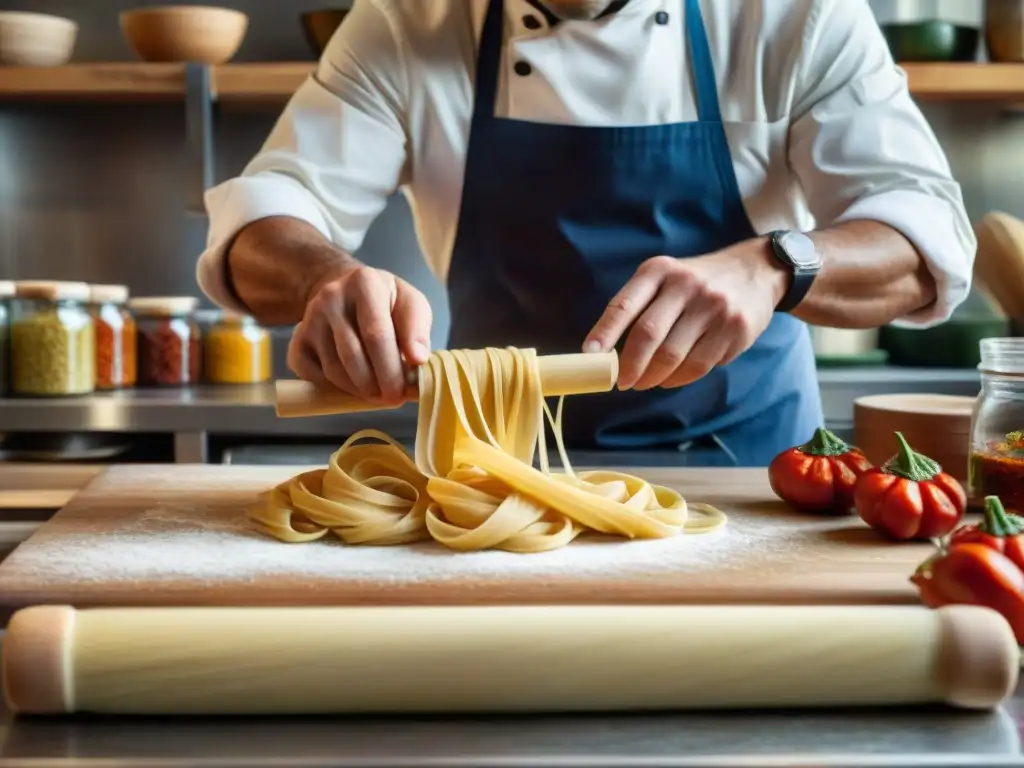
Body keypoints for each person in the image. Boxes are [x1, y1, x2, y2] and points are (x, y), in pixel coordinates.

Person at [197, 0, 975, 466]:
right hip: (494, 474)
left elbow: (924, 238)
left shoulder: (792, 16)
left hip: (750, 471)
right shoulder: (409, 22)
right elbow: (269, 209)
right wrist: (320, 277)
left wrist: (778, 264)